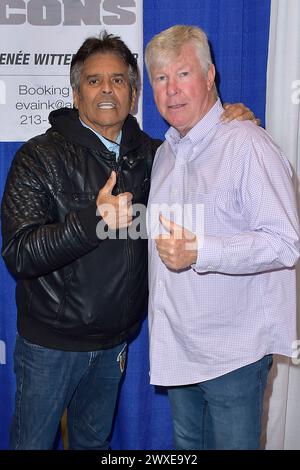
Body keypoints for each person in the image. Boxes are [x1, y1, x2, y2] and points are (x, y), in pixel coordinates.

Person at [1, 30, 257, 450]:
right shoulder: (38, 156)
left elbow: (205, 144)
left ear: (134, 94)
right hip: (49, 346)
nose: (107, 89)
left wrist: (232, 118)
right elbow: (20, 254)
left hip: (113, 345)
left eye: (118, 80)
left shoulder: (158, 156)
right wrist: (93, 220)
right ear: (76, 92)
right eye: (95, 80)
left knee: (93, 444)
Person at [145, 25, 300, 450]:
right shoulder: (164, 155)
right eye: (160, 78)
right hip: (180, 351)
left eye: (183, 74)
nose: (171, 90)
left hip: (233, 354)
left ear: (210, 75)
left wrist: (201, 251)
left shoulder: (246, 143)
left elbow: (285, 241)